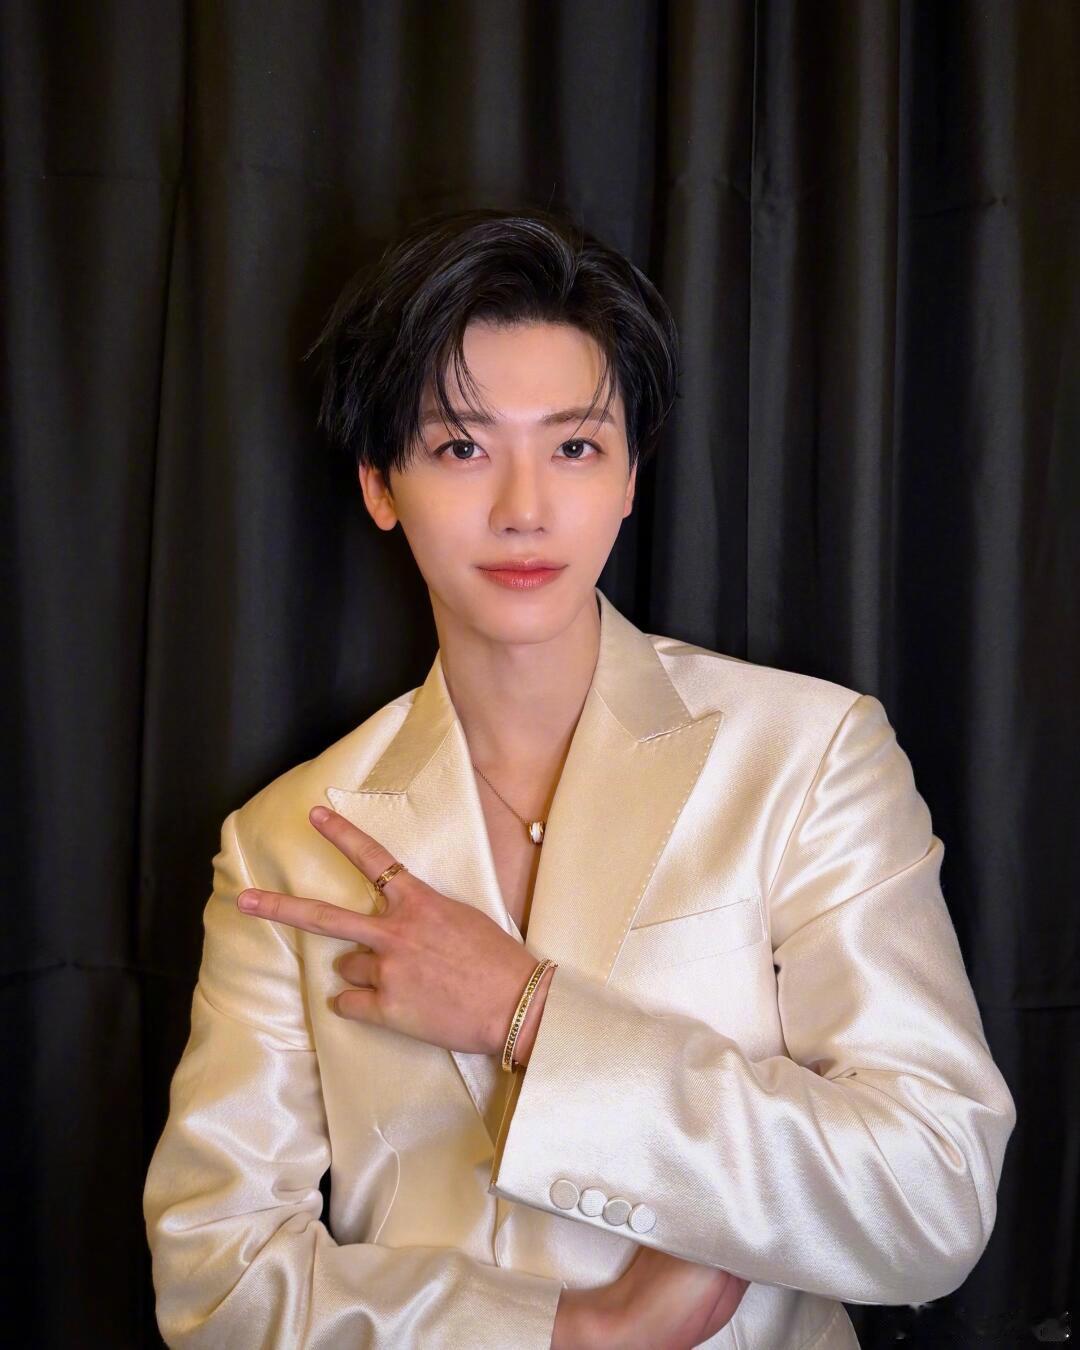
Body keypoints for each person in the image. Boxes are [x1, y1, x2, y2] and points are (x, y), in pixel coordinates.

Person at [143, 206, 1016, 1348]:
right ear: (380, 484)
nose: (524, 509)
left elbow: (932, 1197)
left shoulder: (808, 756)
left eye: (574, 447)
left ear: (631, 477)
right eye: (461, 448)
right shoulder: (286, 842)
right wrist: (575, 1333)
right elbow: (215, 1281)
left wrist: (526, 1012)